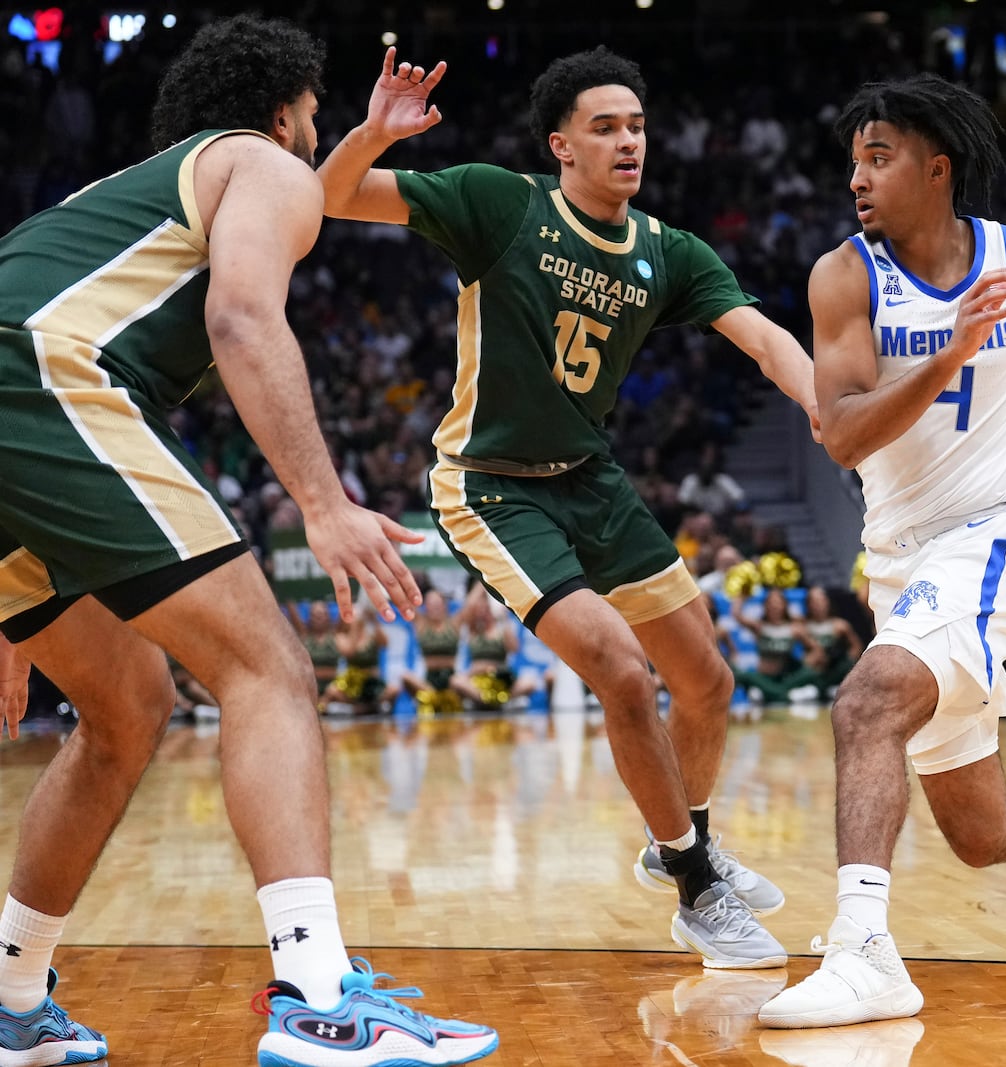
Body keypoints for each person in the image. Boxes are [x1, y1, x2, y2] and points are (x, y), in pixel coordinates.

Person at [0, 16, 496, 1066]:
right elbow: (240, 318)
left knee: (126, 708)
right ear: (281, 113)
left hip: (19, 409)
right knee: (266, 665)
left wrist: (364, 139)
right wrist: (322, 501)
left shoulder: (149, 186)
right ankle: (321, 995)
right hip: (43, 381)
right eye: (315, 121)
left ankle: (8, 996)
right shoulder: (262, 163)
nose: (314, 143)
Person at [319, 46, 812, 965]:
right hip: (491, 483)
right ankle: (697, 888)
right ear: (561, 145)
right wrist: (372, 135)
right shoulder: (499, 202)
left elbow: (764, 338)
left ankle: (683, 842)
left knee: (706, 676)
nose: (629, 141)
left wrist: (821, 400)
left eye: (637, 125)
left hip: (590, 475)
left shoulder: (669, 250)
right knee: (623, 674)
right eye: (605, 127)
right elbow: (334, 196)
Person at [759, 74, 1006, 1031]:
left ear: (936, 168)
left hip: (992, 540)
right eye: (853, 158)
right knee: (981, 834)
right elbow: (843, 432)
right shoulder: (843, 276)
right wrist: (949, 350)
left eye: (880, 155)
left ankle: (865, 954)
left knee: (864, 705)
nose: (857, 177)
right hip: (898, 559)